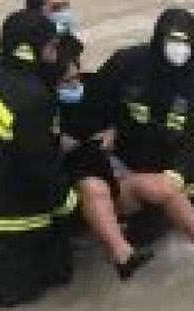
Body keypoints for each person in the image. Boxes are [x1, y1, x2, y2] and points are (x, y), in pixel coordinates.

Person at [92, 8, 194, 273]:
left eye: (185, 43)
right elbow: (93, 101)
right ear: (158, 39)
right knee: (142, 241)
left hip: (180, 179)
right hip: (132, 170)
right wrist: (108, 127)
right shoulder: (127, 64)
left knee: (179, 244)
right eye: (172, 42)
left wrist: (175, 178)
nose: (178, 49)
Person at [0, 10, 80, 308]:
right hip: (4, 219)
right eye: (50, 47)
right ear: (27, 50)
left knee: (56, 272)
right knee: (22, 304)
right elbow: (40, 168)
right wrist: (71, 204)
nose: (54, 54)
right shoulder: (33, 99)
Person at [53, 36, 154, 280]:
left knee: (155, 186)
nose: (76, 84)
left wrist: (112, 131)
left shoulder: (95, 86)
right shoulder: (41, 106)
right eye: (67, 82)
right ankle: (123, 255)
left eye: (77, 77)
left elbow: (120, 115)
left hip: (103, 162)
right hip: (74, 173)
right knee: (94, 188)